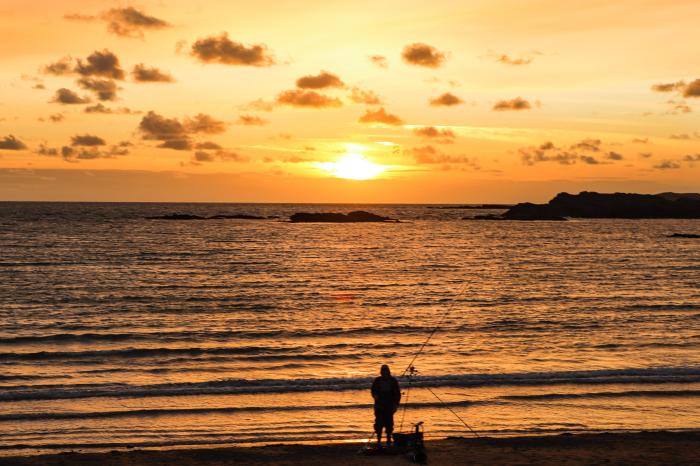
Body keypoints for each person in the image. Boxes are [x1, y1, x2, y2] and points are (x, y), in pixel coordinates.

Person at [371, 364, 401, 447]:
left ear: (388, 371)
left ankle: (388, 440)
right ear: (381, 372)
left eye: (386, 371)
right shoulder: (377, 380)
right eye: (383, 371)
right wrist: (375, 395)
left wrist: (396, 404)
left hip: (389, 405)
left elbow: (397, 394)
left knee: (389, 423)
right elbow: (373, 390)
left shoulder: (393, 380)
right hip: (379, 405)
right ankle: (379, 440)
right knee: (379, 423)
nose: (384, 372)